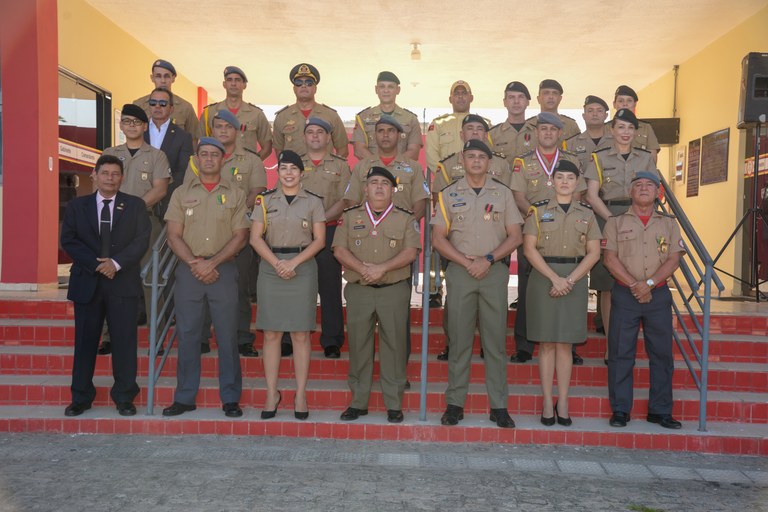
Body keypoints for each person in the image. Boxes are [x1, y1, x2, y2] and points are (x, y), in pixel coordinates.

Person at [431, 139, 523, 429]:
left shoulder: (504, 193)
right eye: (470, 156)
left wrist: (487, 259)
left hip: (493, 272)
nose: (476, 161)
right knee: (458, 341)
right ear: (463, 159)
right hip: (460, 272)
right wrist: (465, 261)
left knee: (494, 342)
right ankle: (455, 404)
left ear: (489, 162)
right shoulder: (448, 194)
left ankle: (499, 406)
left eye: (481, 157)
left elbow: (515, 236)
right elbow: (437, 238)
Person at [162, 137, 249, 418]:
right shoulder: (180, 193)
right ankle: (185, 396)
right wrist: (194, 263)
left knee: (227, 335)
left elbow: (241, 236)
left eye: (214, 154)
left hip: (223, 270)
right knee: (187, 335)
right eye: (204, 154)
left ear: (223, 159)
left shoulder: (235, 194)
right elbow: (173, 234)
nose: (209, 159)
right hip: (189, 272)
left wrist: (212, 263)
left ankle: (231, 397)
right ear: (197, 159)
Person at [60, 154, 151, 417]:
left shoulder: (134, 206)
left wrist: (116, 263)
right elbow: (69, 240)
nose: (110, 178)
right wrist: (98, 264)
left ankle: (124, 396)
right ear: (95, 175)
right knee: (85, 341)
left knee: (124, 341)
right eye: (105, 173)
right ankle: (81, 397)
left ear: (122, 178)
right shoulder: (79, 206)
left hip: (122, 283)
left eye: (115, 174)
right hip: (87, 282)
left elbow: (141, 240)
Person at [333, 166, 420, 423]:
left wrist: (381, 268)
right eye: (373, 182)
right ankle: (359, 401)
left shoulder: (405, 218)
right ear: (365, 188)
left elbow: (411, 252)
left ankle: (394, 403)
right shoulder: (349, 216)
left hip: (393, 290)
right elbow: (339, 249)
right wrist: (363, 269)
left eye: (384, 183)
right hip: (359, 289)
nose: (379, 187)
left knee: (394, 346)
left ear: (393, 190)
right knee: (359, 346)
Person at [603, 171, 684, 429]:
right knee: (620, 353)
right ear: (630, 191)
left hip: (658, 295)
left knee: (661, 354)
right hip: (625, 295)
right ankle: (620, 410)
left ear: (658, 192)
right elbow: (610, 259)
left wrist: (648, 285)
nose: (644, 188)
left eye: (650, 185)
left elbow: (674, 259)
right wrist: (634, 285)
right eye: (638, 185)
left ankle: (659, 410)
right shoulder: (614, 222)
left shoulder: (669, 224)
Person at [523, 160, 601, 427]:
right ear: (552, 181)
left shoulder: (587, 214)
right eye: (560, 177)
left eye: (570, 177)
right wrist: (555, 279)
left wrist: (568, 280)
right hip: (544, 278)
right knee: (545, 344)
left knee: (566, 345)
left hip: (574, 279)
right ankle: (547, 402)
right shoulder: (537, 211)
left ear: (577, 182)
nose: (565, 181)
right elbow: (529, 249)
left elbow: (594, 253)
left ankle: (563, 401)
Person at [250, 150, 326, 420]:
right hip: (271, 267)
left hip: (302, 267)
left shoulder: (314, 202)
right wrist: (277, 263)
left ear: (301, 173)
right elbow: (255, 238)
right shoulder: (264, 200)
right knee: (270, 333)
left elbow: (319, 240)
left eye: (294, 168)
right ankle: (272, 393)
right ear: (278, 172)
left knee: (300, 334)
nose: (289, 173)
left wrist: (293, 263)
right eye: (284, 168)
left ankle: (300, 393)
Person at [185, 109, 267, 357]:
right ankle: (201, 337)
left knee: (238, 288)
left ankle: (242, 338)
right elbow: (188, 191)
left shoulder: (251, 160)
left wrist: (235, 211)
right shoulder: (197, 160)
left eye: (227, 127)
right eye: (218, 126)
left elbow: (257, 192)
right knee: (201, 286)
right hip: (203, 232)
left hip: (238, 234)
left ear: (237, 130)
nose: (222, 130)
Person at [433, 113, 512, 358]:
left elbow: (507, 201)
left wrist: (487, 259)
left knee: (494, 320)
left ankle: (488, 348)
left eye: (480, 129)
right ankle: (453, 343)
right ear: (461, 135)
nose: (475, 132)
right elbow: (439, 215)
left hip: (494, 255)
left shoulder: (501, 167)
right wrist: (465, 261)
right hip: (459, 255)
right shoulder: (447, 167)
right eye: (470, 128)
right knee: (457, 313)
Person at [509, 112, 586, 365]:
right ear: (537, 133)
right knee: (528, 288)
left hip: (566, 230)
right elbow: (518, 196)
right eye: (544, 129)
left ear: (560, 133)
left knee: (569, 285)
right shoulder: (523, 162)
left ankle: (569, 346)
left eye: (553, 130)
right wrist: (537, 218)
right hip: (533, 230)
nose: (548, 133)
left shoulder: (572, 160)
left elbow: (578, 194)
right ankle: (524, 344)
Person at [585, 109, 657, 363]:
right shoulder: (599, 157)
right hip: (608, 216)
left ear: (636, 132)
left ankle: (630, 342)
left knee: (637, 275)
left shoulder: (646, 158)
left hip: (640, 216)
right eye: (620, 127)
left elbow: (651, 190)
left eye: (630, 128)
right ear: (611, 130)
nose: (625, 132)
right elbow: (592, 195)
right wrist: (613, 220)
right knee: (607, 285)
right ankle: (610, 345)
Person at [98, 104, 170, 355]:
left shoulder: (156, 155)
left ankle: (156, 337)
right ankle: (108, 336)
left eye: (136, 122)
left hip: (143, 222)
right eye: (127, 121)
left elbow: (160, 189)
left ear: (144, 126)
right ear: (121, 125)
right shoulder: (109, 153)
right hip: (111, 224)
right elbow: (101, 184)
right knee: (110, 276)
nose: (131, 126)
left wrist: (130, 208)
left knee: (150, 280)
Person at [300, 117, 352, 358]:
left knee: (330, 287)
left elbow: (345, 200)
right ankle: (292, 336)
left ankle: (332, 339)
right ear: (304, 137)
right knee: (297, 286)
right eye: (310, 132)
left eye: (320, 132)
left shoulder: (341, 166)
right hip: (298, 233)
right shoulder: (295, 165)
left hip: (329, 230)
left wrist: (319, 222)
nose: (315, 136)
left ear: (329, 137)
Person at [273, 63, 348, 158]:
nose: (303, 86)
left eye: (309, 83)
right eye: (299, 83)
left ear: (315, 88)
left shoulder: (331, 115)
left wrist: (330, 168)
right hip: (295, 171)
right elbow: (279, 151)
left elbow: (343, 150)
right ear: (294, 89)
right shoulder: (282, 117)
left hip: (323, 172)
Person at [199, 66, 272, 160]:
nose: (233, 83)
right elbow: (200, 144)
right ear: (224, 84)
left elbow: (267, 147)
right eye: (229, 80)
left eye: (237, 80)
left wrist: (253, 164)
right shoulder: (209, 113)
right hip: (218, 171)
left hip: (246, 173)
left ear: (244, 85)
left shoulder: (256, 114)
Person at [143, 87, 193, 218]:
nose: (157, 106)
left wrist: (161, 192)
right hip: (139, 198)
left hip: (168, 203)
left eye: (163, 103)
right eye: (153, 103)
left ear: (171, 109)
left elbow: (182, 172)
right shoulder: (139, 132)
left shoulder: (183, 137)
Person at [352, 71, 422, 161]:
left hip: (401, 172)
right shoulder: (363, 118)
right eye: (382, 86)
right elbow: (359, 150)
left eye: (390, 87)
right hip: (371, 171)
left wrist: (392, 167)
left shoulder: (411, 119)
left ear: (398, 90)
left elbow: (413, 152)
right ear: (376, 89)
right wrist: (379, 168)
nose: (386, 90)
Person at [425, 80, 484, 173]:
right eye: (456, 94)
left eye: (464, 93)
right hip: (446, 180)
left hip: (476, 179)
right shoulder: (438, 124)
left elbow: (489, 154)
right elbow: (431, 154)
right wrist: (443, 174)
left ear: (471, 98)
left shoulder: (483, 124)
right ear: (450, 99)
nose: (460, 97)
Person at [133, 59, 199, 139]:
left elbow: (194, 139)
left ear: (173, 78)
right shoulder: (138, 105)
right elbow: (132, 135)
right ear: (152, 78)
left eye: (167, 76)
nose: (163, 81)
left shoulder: (185, 108)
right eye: (158, 76)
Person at [488, 81, 536, 161]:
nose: (516, 101)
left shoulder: (537, 133)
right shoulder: (492, 135)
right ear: (504, 102)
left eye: (521, 97)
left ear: (527, 102)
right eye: (511, 97)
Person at [525, 79, 580, 145]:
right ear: (538, 99)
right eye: (546, 93)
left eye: (555, 93)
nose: (551, 97)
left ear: (560, 99)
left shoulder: (571, 126)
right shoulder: (528, 126)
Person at [612, 85, 660, 158]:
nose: (625, 104)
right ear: (614, 104)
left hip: (640, 169)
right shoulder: (606, 128)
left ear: (635, 104)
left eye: (629, 100)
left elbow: (652, 159)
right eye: (621, 101)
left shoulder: (646, 128)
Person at [566, 95, 612, 168]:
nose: (595, 114)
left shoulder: (616, 142)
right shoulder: (570, 145)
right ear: (583, 116)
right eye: (590, 111)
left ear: (606, 115)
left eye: (599, 110)